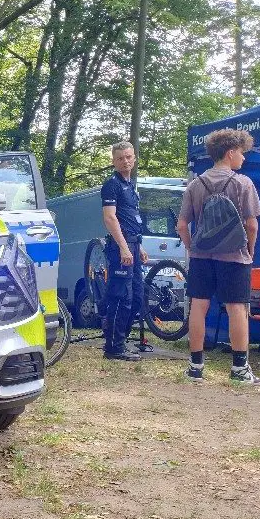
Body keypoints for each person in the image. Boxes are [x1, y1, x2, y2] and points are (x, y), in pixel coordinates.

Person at [177, 128, 260, 384]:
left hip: (202, 257)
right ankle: (239, 369)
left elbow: (182, 225)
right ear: (230, 153)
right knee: (237, 308)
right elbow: (252, 225)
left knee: (199, 306)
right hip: (235, 256)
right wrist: (250, 250)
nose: (244, 158)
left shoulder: (195, 184)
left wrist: (193, 248)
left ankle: (195, 367)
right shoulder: (243, 183)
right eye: (242, 153)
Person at [100, 141, 148, 361]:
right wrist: (123, 247)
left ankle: (120, 340)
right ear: (114, 161)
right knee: (121, 296)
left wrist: (139, 246)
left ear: (134, 158)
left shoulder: (131, 185)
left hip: (133, 245)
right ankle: (114, 347)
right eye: (120, 158)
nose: (125, 161)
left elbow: (130, 219)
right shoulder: (112, 185)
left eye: (128, 157)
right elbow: (110, 218)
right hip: (121, 247)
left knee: (137, 297)